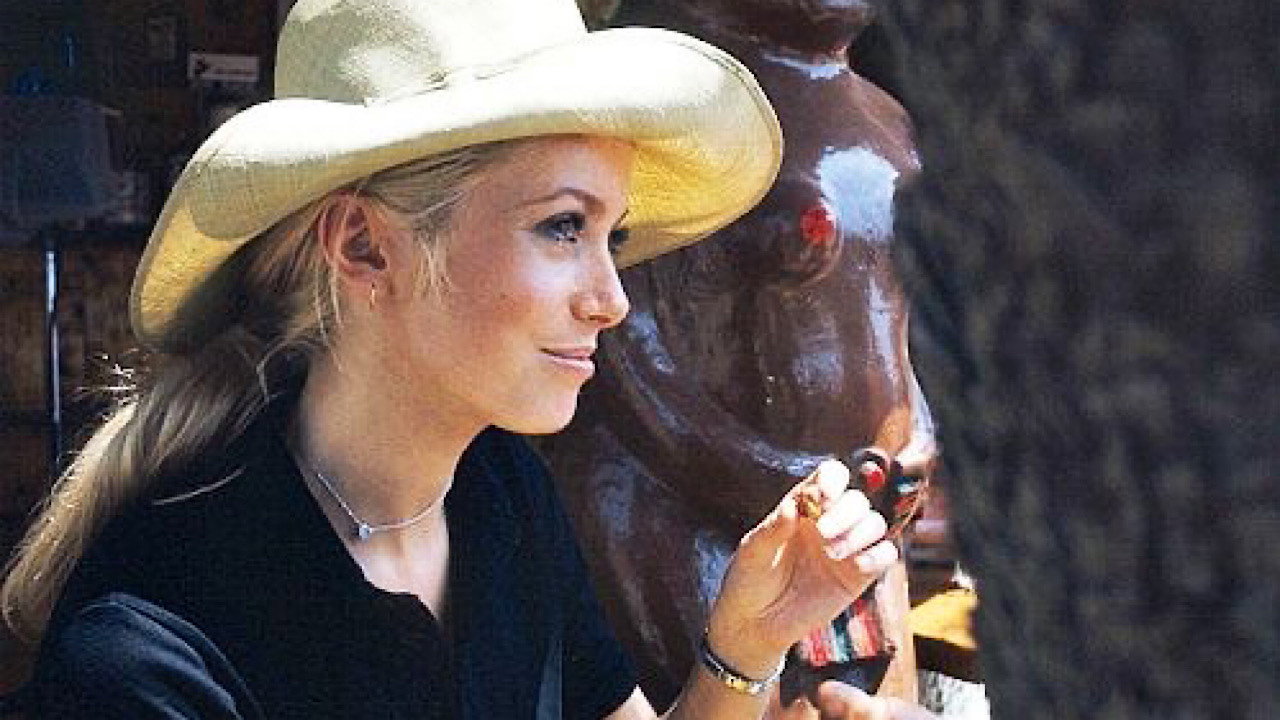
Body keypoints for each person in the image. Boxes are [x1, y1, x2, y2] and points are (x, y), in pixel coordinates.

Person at [0, 0, 924, 717]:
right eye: (562, 227)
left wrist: (745, 644)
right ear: (364, 247)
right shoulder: (150, 655)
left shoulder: (501, 494)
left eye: (612, 235)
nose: (612, 298)